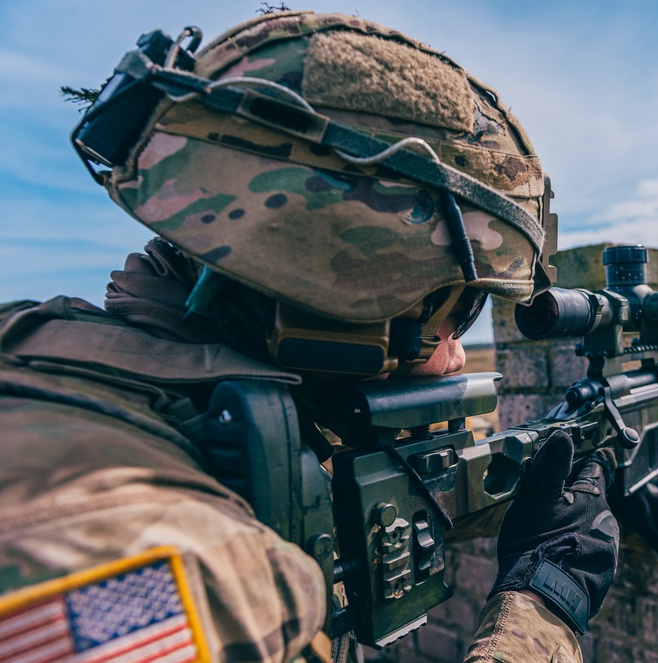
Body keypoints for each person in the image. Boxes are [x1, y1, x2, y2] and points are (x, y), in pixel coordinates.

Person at [0, 10, 622, 662]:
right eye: (452, 317)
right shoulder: (189, 568)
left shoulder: (51, 363)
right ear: (351, 301)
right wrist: (543, 606)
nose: (456, 355)